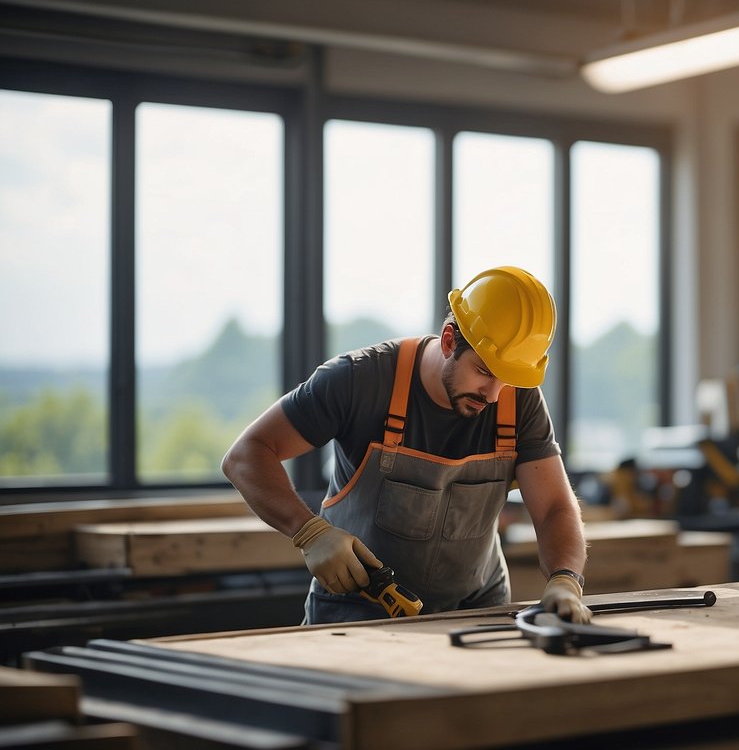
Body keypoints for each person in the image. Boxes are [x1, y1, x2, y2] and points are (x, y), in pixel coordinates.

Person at [222, 265, 591, 625]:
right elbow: (246, 455)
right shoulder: (359, 381)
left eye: (508, 379)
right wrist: (309, 533)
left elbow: (554, 506)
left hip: (475, 613)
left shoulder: (519, 399)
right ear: (449, 341)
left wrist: (565, 579)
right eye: (484, 372)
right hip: (356, 618)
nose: (494, 396)